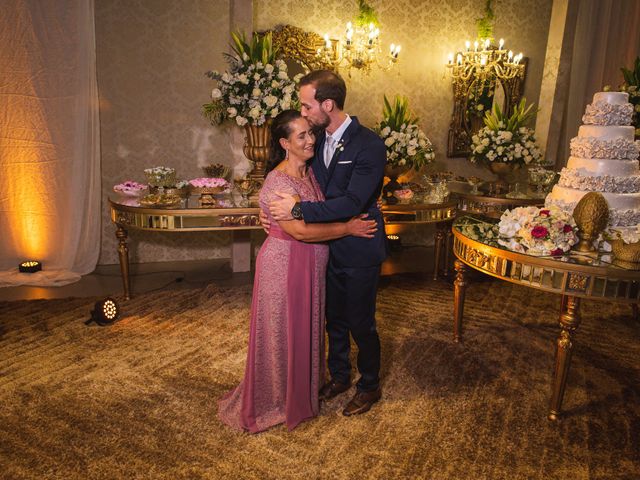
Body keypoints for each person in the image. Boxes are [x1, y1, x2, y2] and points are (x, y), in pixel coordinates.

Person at [218, 109, 377, 433]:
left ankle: (303, 388)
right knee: (283, 332)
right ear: (284, 143)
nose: (310, 140)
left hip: (311, 266)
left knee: (307, 328)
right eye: (301, 135)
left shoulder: (311, 171)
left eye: (310, 133)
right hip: (286, 265)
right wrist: (348, 228)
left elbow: (327, 205)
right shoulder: (279, 181)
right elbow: (301, 232)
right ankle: (277, 399)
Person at [267, 70, 387, 417]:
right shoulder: (315, 140)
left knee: (360, 321)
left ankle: (369, 385)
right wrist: (271, 211)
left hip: (359, 242)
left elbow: (352, 201)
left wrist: (298, 209)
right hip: (322, 247)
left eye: (306, 106)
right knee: (331, 318)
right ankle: (339, 376)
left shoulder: (369, 144)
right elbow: (293, 172)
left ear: (328, 104)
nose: (302, 114)